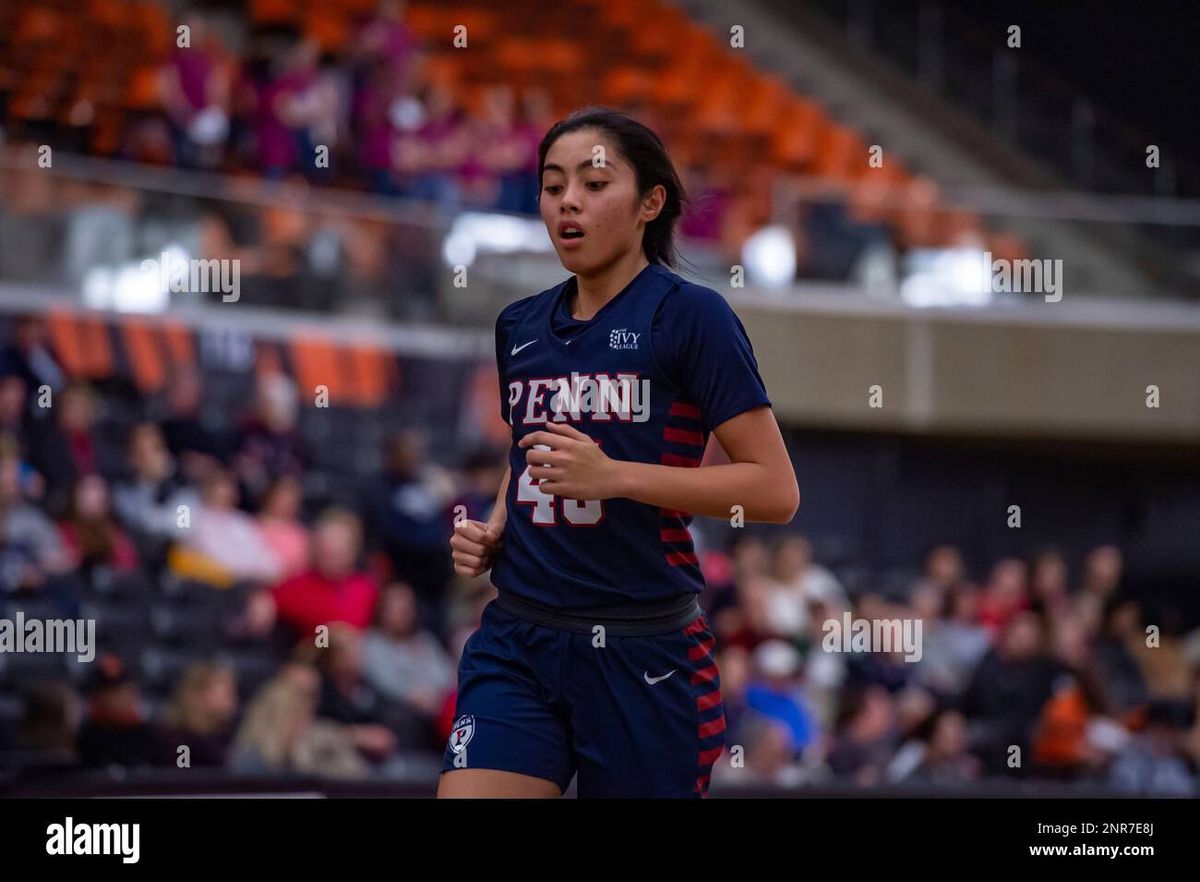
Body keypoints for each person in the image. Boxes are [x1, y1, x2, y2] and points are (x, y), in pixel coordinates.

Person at [440, 107, 799, 798]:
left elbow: (775, 490)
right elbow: (529, 452)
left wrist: (615, 478)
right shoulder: (517, 325)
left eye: (593, 183)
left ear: (650, 203)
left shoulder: (693, 317)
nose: (567, 200)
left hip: (644, 651)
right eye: (552, 185)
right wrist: (497, 526)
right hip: (519, 636)